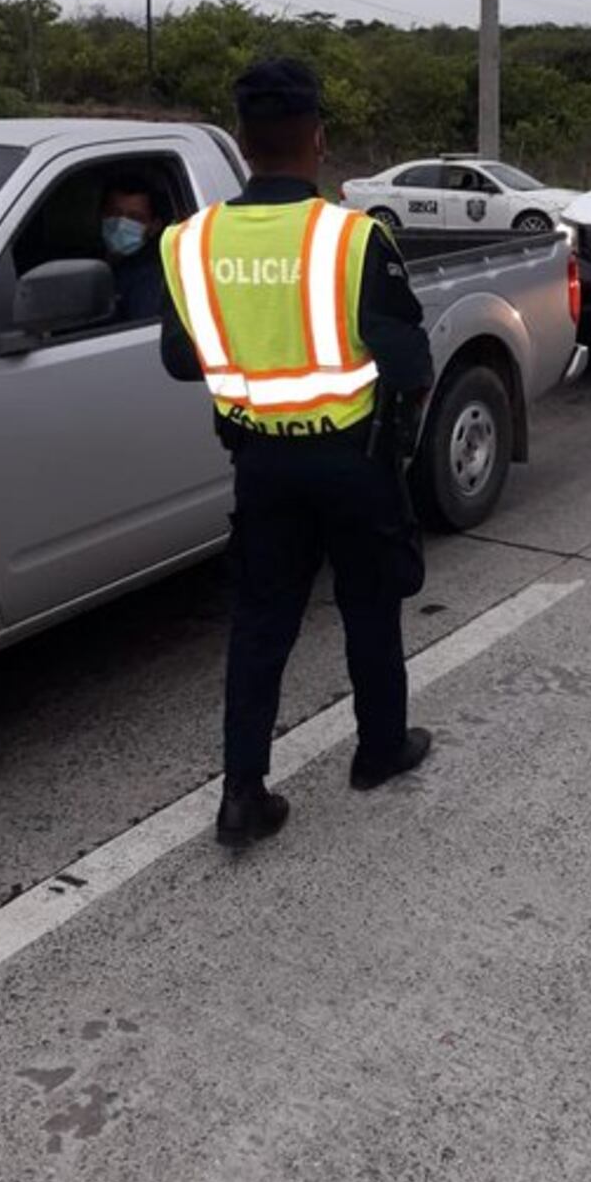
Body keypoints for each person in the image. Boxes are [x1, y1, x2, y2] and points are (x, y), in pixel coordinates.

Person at [159, 59, 435, 848]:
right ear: (318, 139)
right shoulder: (352, 238)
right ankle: (379, 752)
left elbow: (179, 359)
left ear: (243, 143)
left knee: (260, 625)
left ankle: (242, 796)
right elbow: (409, 365)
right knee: (369, 607)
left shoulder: (187, 243)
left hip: (261, 465)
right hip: (353, 462)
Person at [101, 176, 164, 321]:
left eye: (134, 218)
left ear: (154, 226)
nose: (121, 224)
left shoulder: (150, 279)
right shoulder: (89, 259)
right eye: (114, 213)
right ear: (102, 214)